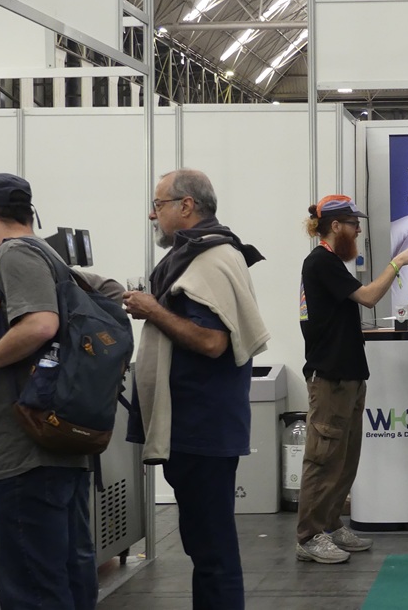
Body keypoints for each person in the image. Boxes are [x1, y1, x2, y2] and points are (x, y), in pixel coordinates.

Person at [124, 170, 270, 610]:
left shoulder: (207, 260)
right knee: (205, 547)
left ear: (186, 205)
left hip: (201, 426)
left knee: (212, 551)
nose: (153, 215)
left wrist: (153, 309)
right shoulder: (204, 255)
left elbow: (212, 342)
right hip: (198, 425)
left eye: (159, 205)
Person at [0, 174, 96, 609]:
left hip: (25, 451)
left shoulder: (14, 253)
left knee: (30, 587)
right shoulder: (48, 254)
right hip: (56, 444)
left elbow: (41, 324)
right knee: (67, 574)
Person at [296, 195, 408, 564]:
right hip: (330, 378)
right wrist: (397, 262)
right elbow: (368, 297)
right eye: (353, 223)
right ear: (336, 226)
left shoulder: (332, 263)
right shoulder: (321, 261)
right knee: (323, 459)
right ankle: (308, 536)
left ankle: (330, 524)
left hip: (349, 374)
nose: (358, 229)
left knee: (345, 459)